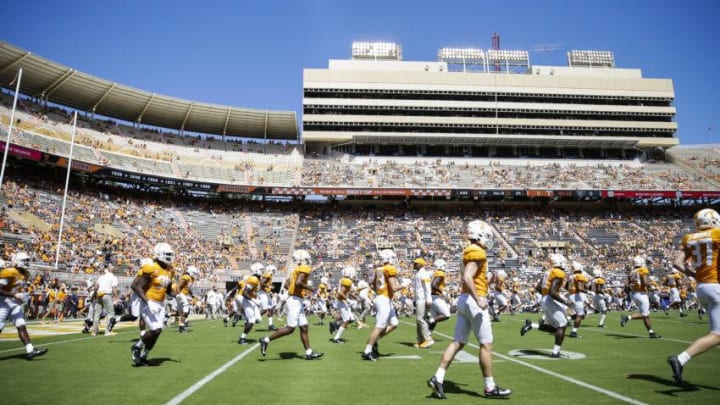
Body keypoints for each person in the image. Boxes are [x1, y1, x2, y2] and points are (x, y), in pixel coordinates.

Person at [427, 220, 511, 399]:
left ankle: (438, 377)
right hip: (472, 300)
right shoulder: (477, 251)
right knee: (486, 344)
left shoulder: (469, 250)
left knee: (458, 342)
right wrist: (479, 298)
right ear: (480, 235)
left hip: (465, 299)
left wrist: (486, 284)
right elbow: (467, 276)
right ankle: (490, 387)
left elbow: (471, 277)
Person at [667, 208, 720, 385]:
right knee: (717, 334)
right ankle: (681, 359)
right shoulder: (717, 233)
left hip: (702, 287)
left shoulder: (688, 238)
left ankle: (681, 359)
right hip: (716, 285)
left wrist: (694, 275)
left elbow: (676, 263)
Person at [259, 249, 323, 360]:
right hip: (295, 301)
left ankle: (309, 353)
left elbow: (288, 284)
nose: (308, 261)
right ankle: (265, 340)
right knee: (290, 328)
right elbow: (298, 283)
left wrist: (295, 291)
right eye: (307, 259)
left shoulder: (296, 270)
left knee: (304, 327)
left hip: (295, 299)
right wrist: (311, 288)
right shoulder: (304, 268)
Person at [130, 242, 175, 367]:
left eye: (171, 254)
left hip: (160, 303)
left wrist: (179, 296)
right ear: (159, 254)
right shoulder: (151, 267)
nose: (170, 257)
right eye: (167, 254)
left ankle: (144, 356)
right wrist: (148, 301)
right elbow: (135, 286)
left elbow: (169, 290)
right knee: (156, 329)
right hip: (148, 301)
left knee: (158, 331)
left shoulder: (170, 270)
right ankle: (136, 347)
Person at [520, 253, 570, 358]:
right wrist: (565, 302)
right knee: (562, 325)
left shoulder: (548, 272)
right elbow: (552, 291)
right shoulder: (559, 272)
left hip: (545, 298)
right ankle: (555, 352)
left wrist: (545, 297)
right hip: (550, 299)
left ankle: (531, 325)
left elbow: (538, 287)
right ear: (560, 262)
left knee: (555, 328)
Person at [0, 252, 48, 360]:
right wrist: (14, 294)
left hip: (14, 303)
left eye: (27, 260)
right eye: (24, 260)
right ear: (17, 261)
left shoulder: (25, 274)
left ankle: (30, 350)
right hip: (3, 302)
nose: (27, 263)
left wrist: (22, 296)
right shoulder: (9, 272)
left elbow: (17, 288)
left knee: (21, 325)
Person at [361, 249, 402, 361]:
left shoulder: (379, 269)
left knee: (394, 323)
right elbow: (394, 287)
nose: (394, 259)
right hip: (384, 299)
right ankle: (367, 351)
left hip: (382, 298)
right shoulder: (389, 268)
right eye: (392, 257)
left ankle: (374, 341)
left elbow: (372, 284)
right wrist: (404, 284)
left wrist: (379, 291)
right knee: (380, 326)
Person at [620, 256, 662, 339]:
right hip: (642, 294)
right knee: (645, 314)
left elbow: (626, 286)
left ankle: (651, 332)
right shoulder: (642, 270)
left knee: (646, 314)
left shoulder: (631, 272)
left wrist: (632, 287)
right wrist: (653, 286)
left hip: (634, 294)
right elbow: (645, 283)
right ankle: (627, 317)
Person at [330, 266, 358, 343]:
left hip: (342, 301)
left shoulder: (344, 280)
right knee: (346, 320)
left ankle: (335, 324)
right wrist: (348, 300)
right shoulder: (347, 281)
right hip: (341, 302)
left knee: (351, 319)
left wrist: (354, 297)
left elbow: (346, 292)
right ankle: (336, 338)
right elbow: (340, 293)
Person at [413, 257, 434, 348]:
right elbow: (417, 289)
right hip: (419, 299)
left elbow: (427, 288)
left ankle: (428, 339)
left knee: (420, 319)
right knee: (419, 320)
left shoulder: (424, 274)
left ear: (421, 264)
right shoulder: (418, 273)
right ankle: (421, 340)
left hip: (423, 299)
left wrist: (428, 300)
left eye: (416, 263)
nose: (414, 264)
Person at [93, 264, 119, 336]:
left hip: (99, 294)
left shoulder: (101, 277)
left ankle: (94, 331)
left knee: (97, 313)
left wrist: (94, 295)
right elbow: (114, 288)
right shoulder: (113, 277)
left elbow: (96, 287)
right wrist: (117, 298)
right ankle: (107, 331)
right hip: (107, 295)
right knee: (110, 313)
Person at [567, 260, 589, 338]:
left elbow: (567, 286)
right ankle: (573, 332)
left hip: (571, 295)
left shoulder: (570, 276)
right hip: (576, 295)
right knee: (580, 315)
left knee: (572, 312)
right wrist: (587, 291)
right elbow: (580, 288)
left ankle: (566, 320)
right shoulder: (579, 276)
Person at [428, 259, 451, 331]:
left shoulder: (436, 272)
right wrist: (442, 292)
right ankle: (427, 322)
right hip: (436, 297)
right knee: (446, 315)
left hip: (432, 296)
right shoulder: (440, 273)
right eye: (444, 265)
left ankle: (427, 335)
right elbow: (433, 285)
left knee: (435, 318)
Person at [238, 274, 261, 344]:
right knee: (252, 320)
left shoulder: (256, 279)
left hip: (250, 300)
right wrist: (253, 300)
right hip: (246, 300)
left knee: (258, 319)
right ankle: (242, 338)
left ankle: (246, 320)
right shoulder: (254, 279)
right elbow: (245, 292)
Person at [176, 265, 199, 333]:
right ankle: (182, 326)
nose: (195, 275)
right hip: (181, 294)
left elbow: (188, 289)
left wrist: (192, 296)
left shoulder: (192, 279)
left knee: (183, 312)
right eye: (194, 273)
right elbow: (178, 286)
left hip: (184, 295)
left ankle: (181, 327)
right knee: (186, 310)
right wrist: (179, 294)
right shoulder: (186, 276)